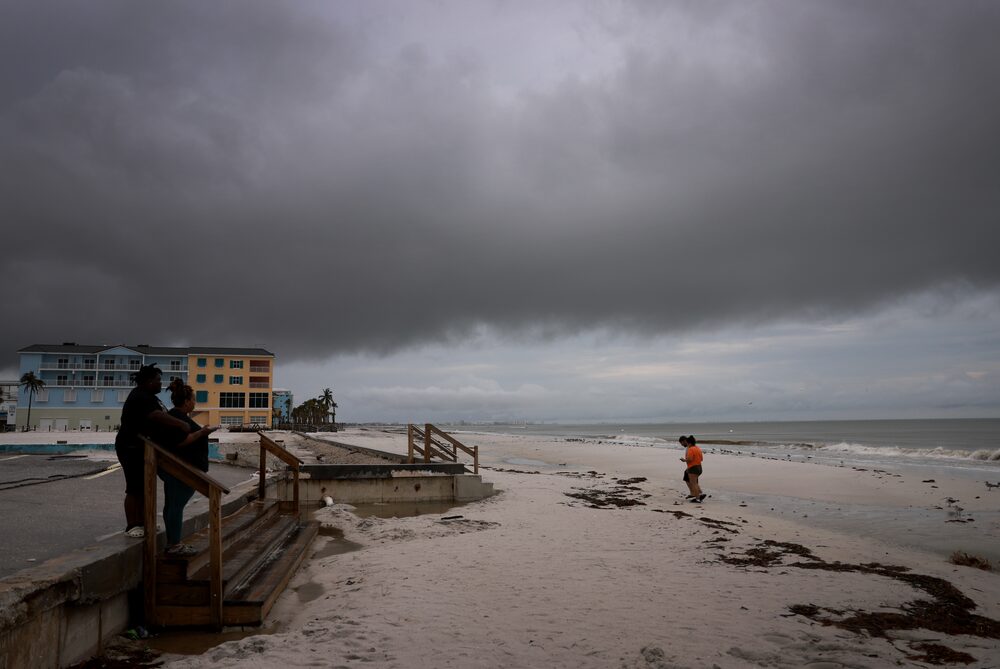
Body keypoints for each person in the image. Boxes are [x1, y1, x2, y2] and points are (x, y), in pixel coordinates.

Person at [115, 364, 191, 537]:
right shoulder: (140, 396)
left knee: (144, 486)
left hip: (145, 448)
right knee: (134, 487)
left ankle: (144, 521)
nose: (160, 383)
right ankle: (132, 525)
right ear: (149, 381)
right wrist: (181, 423)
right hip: (130, 447)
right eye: (158, 380)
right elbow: (156, 416)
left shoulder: (150, 397)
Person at [158, 379, 218, 556]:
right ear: (186, 402)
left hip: (179, 468)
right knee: (176, 506)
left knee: (172, 505)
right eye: (193, 399)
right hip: (181, 470)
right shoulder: (176, 419)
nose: (194, 402)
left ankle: (173, 543)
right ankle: (174, 545)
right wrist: (202, 432)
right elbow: (179, 442)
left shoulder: (175, 417)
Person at [679, 435, 705, 503]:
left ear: (689, 442)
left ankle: (698, 498)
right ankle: (699, 495)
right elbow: (701, 459)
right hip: (699, 467)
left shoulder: (691, 449)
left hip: (693, 468)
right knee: (695, 483)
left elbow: (690, 459)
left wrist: (684, 460)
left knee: (694, 483)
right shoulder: (697, 448)